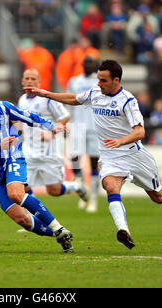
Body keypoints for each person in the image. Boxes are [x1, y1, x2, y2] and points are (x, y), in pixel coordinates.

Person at [24, 59, 162, 250]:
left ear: (116, 80)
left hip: (133, 155)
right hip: (110, 156)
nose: (98, 84)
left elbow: (140, 132)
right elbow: (74, 99)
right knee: (111, 186)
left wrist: (120, 140)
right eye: (98, 79)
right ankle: (123, 231)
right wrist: (47, 94)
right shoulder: (95, 93)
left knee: (158, 196)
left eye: (103, 80)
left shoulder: (128, 100)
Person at [0, 79, 74, 253]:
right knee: (22, 220)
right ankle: (60, 234)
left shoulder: (4, 108)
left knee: (16, 194)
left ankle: (58, 228)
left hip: (13, 158)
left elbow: (30, 117)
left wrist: (51, 125)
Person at [18, 68, 88, 203]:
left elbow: (65, 116)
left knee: (53, 191)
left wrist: (51, 132)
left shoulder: (47, 99)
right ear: (22, 81)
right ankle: (34, 220)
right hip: (28, 151)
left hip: (49, 150)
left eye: (33, 79)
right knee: (23, 188)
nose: (30, 81)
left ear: (39, 82)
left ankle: (76, 186)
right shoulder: (22, 100)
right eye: (27, 78)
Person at [66, 56, 100, 213]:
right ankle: (83, 190)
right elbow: (68, 102)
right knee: (74, 160)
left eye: (91, 63)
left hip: (95, 126)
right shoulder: (74, 81)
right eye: (86, 63)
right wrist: (66, 123)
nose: (88, 65)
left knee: (94, 163)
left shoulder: (99, 82)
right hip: (77, 125)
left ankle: (93, 198)